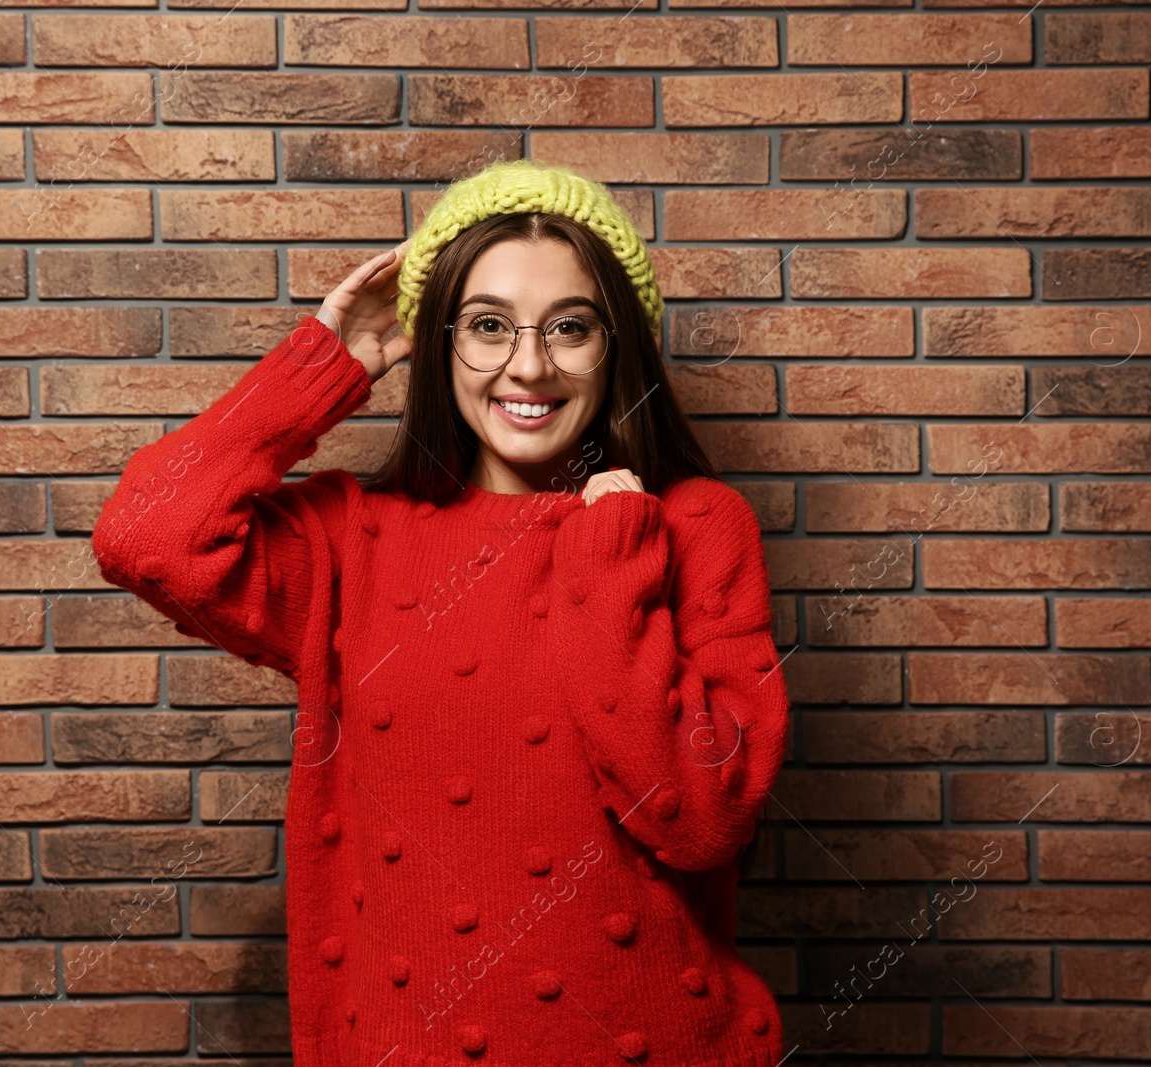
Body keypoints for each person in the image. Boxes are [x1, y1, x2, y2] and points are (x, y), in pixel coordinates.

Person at [92, 159, 791, 1067]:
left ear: (617, 347)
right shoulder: (354, 538)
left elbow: (700, 814)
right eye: (488, 326)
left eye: (570, 328)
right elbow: (148, 536)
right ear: (439, 340)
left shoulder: (694, 525)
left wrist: (609, 556)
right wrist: (326, 364)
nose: (528, 365)